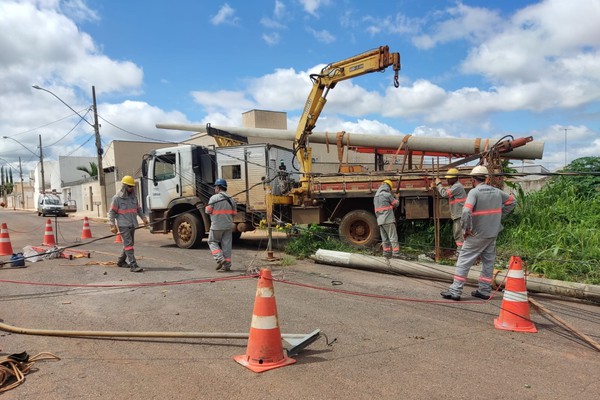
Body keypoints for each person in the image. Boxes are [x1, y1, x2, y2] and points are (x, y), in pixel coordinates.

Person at [441, 165, 516, 301]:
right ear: (486, 178)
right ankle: (484, 290)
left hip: (477, 234)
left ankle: (455, 291)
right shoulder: (497, 192)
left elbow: (465, 211)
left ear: (472, 179)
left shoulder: (474, 192)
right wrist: (498, 217)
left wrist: (466, 229)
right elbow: (512, 202)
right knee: (488, 262)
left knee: (463, 261)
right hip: (492, 233)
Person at [108, 175, 148, 273]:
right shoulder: (117, 198)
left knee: (129, 244)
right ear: (124, 186)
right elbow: (112, 212)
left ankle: (121, 261)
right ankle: (133, 265)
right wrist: (112, 225)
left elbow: (138, 209)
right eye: (129, 186)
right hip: (123, 225)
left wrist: (143, 218)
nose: (131, 188)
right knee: (129, 243)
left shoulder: (134, 198)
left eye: (132, 186)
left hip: (132, 223)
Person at [206, 178, 237, 272]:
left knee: (212, 241)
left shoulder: (214, 198)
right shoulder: (231, 199)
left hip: (216, 226)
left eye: (215, 187)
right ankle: (227, 266)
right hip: (228, 226)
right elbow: (234, 213)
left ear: (218, 188)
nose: (215, 189)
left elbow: (208, 211)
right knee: (226, 246)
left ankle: (220, 259)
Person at [436, 168, 467, 257]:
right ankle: (460, 253)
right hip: (457, 214)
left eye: (449, 178)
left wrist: (438, 184)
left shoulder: (457, 186)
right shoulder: (454, 187)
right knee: (458, 234)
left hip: (459, 214)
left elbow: (444, 194)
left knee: (459, 235)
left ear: (455, 178)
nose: (447, 180)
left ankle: (460, 254)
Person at [374, 179, 400, 259]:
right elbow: (396, 204)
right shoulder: (387, 195)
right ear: (388, 187)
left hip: (380, 221)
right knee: (393, 237)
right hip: (388, 219)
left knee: (385, 239)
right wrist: (397, 197)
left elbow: (382, 207)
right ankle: (396, 253)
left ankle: (386, 253)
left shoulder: (376, 196)